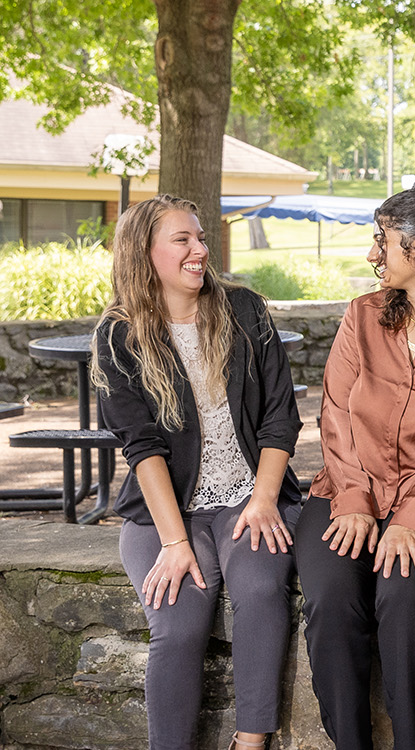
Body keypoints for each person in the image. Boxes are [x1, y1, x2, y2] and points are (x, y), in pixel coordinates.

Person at [92, 195, 303, 750]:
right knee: (179, 625)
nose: (200, 250)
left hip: (249, 494)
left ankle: (251, 742)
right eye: (182, 240)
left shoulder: (245, 311)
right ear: (145, 252)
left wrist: (263, 501)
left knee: (260, 590)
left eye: (201, 238)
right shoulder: (118, 337)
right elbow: (143, 447)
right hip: (166, 511)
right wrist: (175, 541)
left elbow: (281, 418)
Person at [294, 189, 415, 750]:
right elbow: (335, 414)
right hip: (344, 493)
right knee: (330, 598)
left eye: (383, 240)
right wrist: (353, 500)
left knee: (402, 597)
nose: (374, 253)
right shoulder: (363, 315)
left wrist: (408, 517)